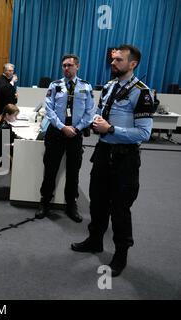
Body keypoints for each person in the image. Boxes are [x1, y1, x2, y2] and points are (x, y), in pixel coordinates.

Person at [71, 45, 155, 277]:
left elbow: (144, 134)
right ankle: (95, 240)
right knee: (97, 202)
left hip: (124, 159)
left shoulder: (142, 92)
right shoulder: (108, 87)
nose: (113, 63)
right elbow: (99, 112)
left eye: (119, 60)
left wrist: (110, 129)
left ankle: (120, 255)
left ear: (133, 64)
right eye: (113, 59)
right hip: (102, 154)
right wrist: (95, 121)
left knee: (120, 209)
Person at [35, 54, 94, 222]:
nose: (66, 68)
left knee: (73, 172)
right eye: (64, 65)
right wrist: (62, 127)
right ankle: (45, 203)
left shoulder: (86, 87)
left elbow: (90, 111)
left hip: (75, 135)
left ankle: (71, 205)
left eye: (69, 65)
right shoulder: (54, 86)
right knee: (50, 170)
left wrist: (77, 128)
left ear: (77, 66)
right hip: (56, 134)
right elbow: (49, 109)